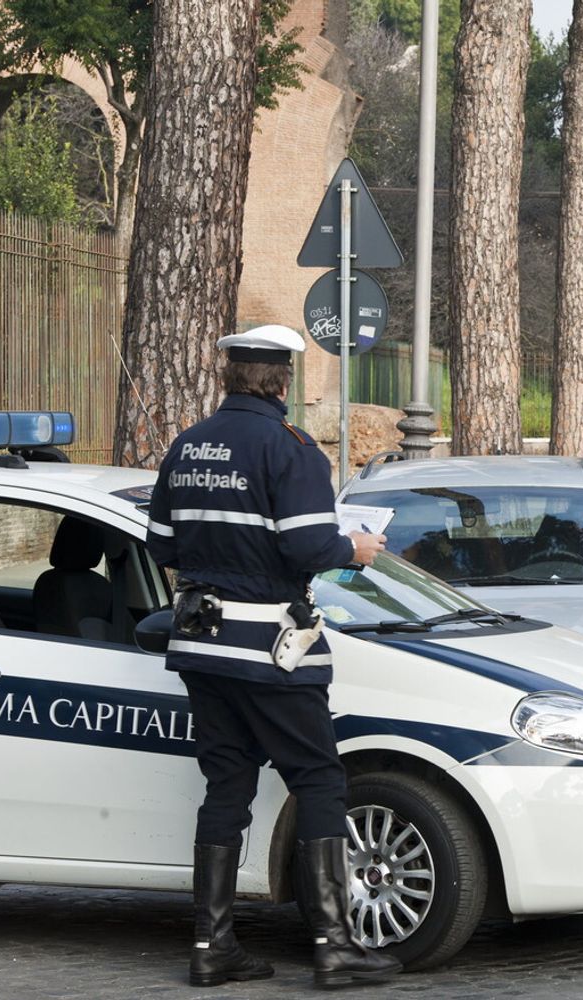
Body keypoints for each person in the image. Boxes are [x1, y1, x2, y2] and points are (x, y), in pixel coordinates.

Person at [147, 325, 400, 990]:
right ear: (283, 380)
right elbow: (308, 548)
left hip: (202, 648)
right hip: (271, 650)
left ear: (230, 374)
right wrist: (357, 549)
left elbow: (162, 546)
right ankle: (334, 946)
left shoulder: (188, 444)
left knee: (226, 787)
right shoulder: (291, 450)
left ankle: (212, 945)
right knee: (318, 780)